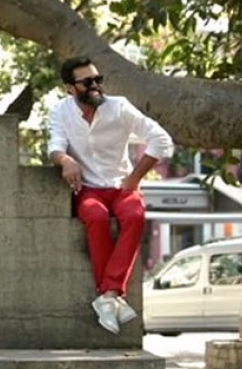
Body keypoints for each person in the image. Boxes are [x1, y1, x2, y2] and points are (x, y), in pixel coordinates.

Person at [47, 56, 173, 334]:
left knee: (135, 215)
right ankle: (111, 297)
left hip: (122, 187)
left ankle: (109, 294)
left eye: (98, 79)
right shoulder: (60, 111)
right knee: (96, 215)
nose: (95, 86)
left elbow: (161, 139)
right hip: (89, 190)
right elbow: (55, 145)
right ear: (70, 88)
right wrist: (66, 160)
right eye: (87, 82)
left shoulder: (119, 107)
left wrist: (135, 177)